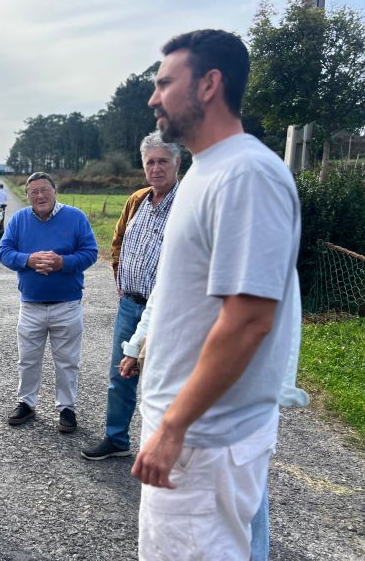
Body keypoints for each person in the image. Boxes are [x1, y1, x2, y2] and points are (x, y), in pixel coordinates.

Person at [131, 30, 301, 560]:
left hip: (204, 442)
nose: (153, 97)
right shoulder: (207, 171)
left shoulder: (247, 175)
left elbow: (249, 319)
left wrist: (176, 427)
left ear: (209, 84)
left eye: (164, 82)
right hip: (186, 434)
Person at [119, 280, 309, 560]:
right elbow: (164, 295)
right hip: (182, 405)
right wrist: (136, 344)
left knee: (234, 512)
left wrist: (172, 429)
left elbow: (251, 321)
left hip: (222, 410)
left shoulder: (248, 236)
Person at [81, 132, 180, 461]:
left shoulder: (187, 205)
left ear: (178, 163)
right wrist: (119, 280)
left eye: (163, 161)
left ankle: (166, 450)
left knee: (163, 381)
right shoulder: (137, 199)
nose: (156, 168)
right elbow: (119, 240)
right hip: (129, 304)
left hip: (167, 312)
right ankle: (117, 439)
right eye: (150, 162)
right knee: (120, 373)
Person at [0, 172, 98, 433]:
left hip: (67, 304)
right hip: (30, 305)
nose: (39, 196)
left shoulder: (75, 217)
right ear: (26, 195)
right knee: (28, 359)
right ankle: (26, 403)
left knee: (67, 360)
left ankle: (67, 408)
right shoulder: (19, 219)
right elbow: (4, 251)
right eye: (33, 192)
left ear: (55, 190)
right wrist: (28, 260)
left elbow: (90, 253)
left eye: (44, 190)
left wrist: (62, 263)